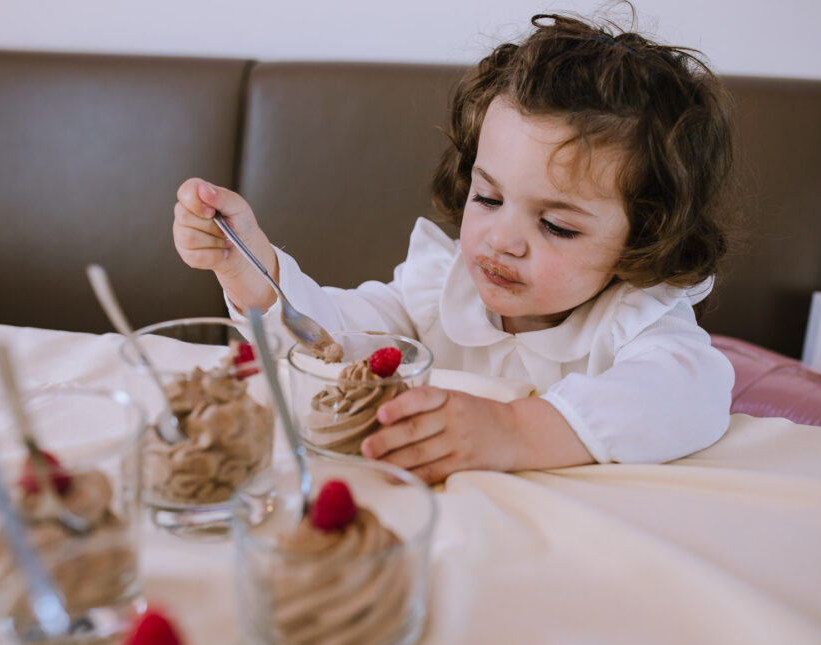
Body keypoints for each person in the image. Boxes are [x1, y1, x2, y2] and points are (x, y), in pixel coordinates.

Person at [171, 10, 737, 484]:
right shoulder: (438, 292)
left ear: (644, 235)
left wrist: (514, 431)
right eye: (488, 197)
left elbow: (689, 392)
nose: (502, 240)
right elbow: (335, 341)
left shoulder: (635, 321)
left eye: (557, 227)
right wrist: (250, 269)